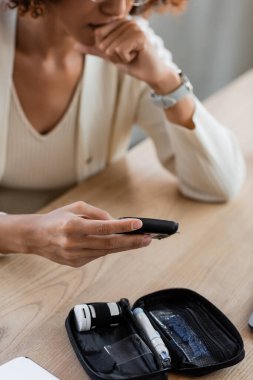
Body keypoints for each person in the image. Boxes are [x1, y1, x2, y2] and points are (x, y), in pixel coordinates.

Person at [0, 0, 246, 267]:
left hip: (78, 272)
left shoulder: (130, 46)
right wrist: (28, 235)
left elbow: (221, 182)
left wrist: (165, 82)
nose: (118, 10)